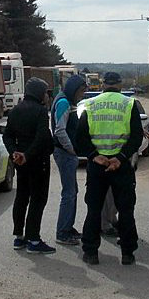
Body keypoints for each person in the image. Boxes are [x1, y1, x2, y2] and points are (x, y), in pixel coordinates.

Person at [76, 72, 143, 265]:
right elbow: (137, 137)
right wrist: (120, 158)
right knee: (126, 209)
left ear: (103, 85)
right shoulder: (128, 104)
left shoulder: (90, 104)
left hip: (98, 166)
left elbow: (80, 137)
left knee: (94, 209)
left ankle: (90, 252)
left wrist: (94, 156)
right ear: (120, 85)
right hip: (120, 166)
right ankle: (128, 253)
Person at [2, 77, 56, 254]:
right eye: (46, 93)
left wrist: (14, 152)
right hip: (37, 161)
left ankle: (19, 236)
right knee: (38, 199)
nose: (47, 97)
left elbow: (7, 135)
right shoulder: (40, 111)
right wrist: (28, 154)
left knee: (22, 197)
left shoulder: (15, 110)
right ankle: (33, 239)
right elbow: (41, 137)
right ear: (39, 93)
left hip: (20, 162)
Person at [51, 74, 88, 245]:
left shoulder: (65, 100)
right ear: (74, 89)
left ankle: (68, 227)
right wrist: (71, 149)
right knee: (69, 194)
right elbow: (59, 130)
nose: (82, 95)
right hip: (65, 154)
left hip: (66, 153)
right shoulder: (64, 102)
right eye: (81, 91)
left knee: (73, 191)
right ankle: (63, 232)